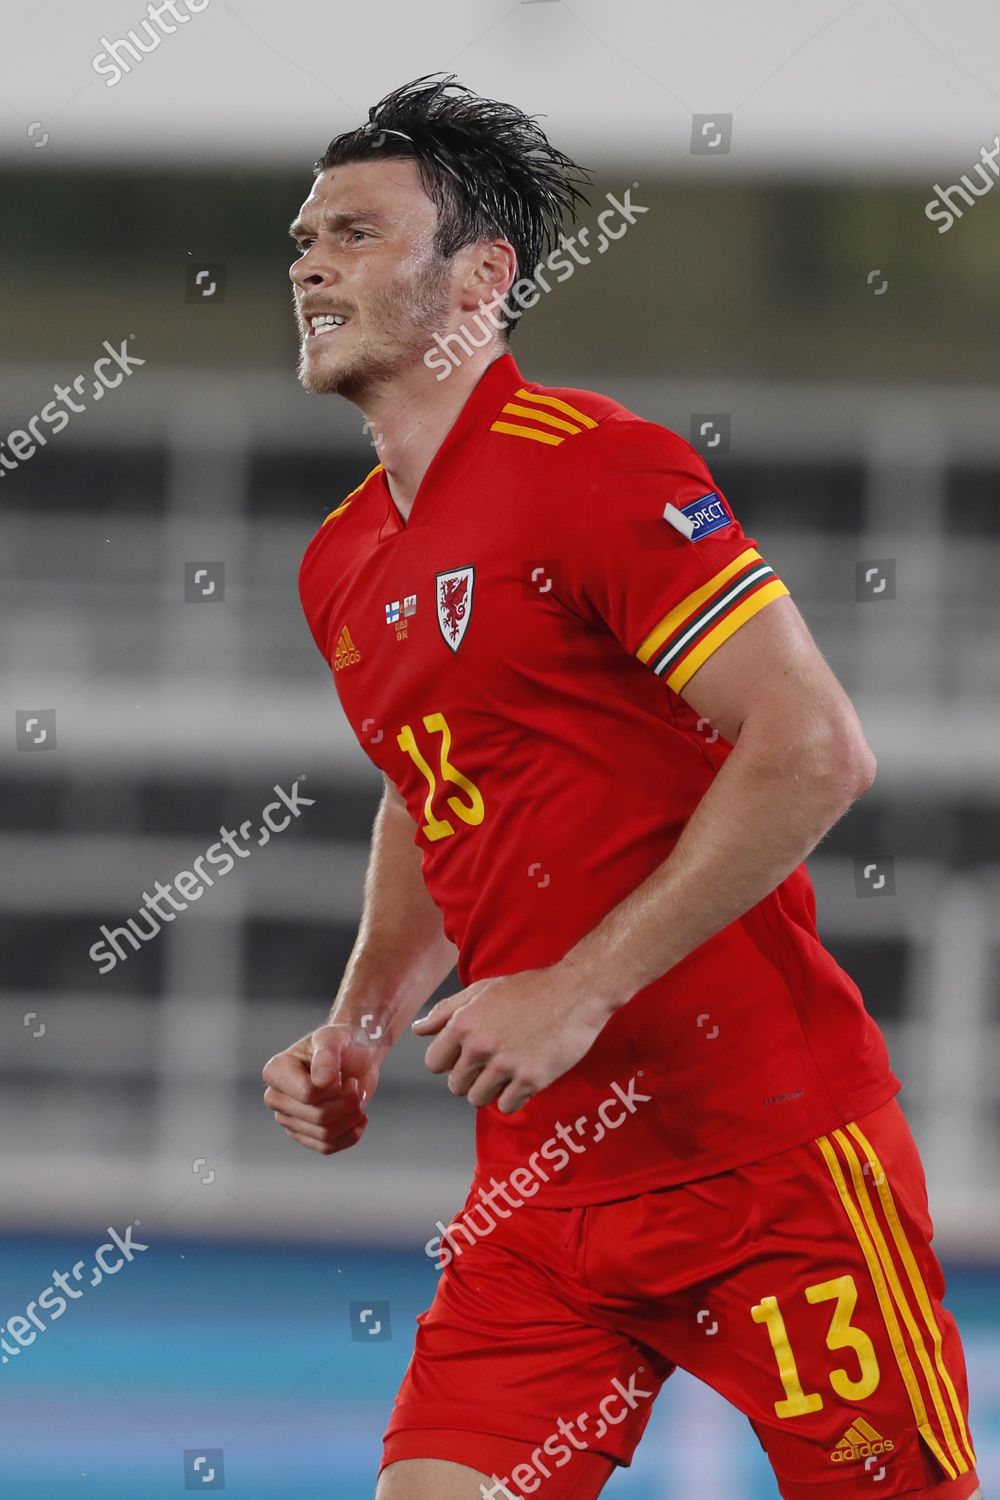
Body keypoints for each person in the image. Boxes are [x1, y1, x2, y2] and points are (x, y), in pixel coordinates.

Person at [262, 73, 981, 1500]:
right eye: (301, 238)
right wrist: (359, 1023)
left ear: (481, 276)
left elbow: (814, 747)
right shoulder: (339, 561)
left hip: (766, 1161)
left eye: (353, 232)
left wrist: (579, 985)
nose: (307, 264)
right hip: (541, 1195)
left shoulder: (598, 469)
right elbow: (429, 786)